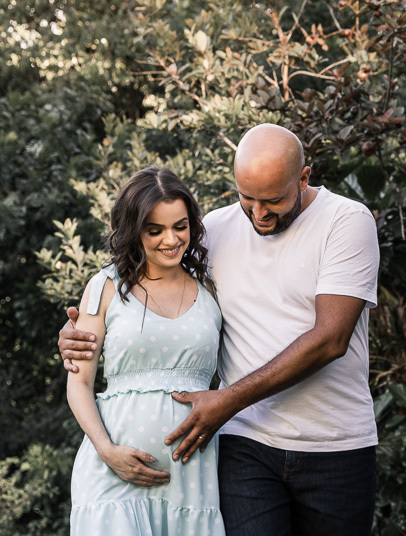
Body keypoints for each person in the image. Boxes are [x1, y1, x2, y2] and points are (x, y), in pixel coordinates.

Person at [60, 124, 381, 535]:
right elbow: (150, 301)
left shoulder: (346, 221)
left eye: (274, 200)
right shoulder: (217, 230)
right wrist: (78, 338)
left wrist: (227, 400)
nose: (259, 214)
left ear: (303, 178)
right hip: (244, 446)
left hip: (334, 445)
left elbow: (331, 339)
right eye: (247, 198)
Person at [65, 166, 225, 535]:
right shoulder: (105, 287)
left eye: (180, 227)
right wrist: (107, 451)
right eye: (155, 230)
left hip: (193, 479)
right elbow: (78, 384)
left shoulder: (212, 287)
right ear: (133, 230)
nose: (170, 240)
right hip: (112, 474)